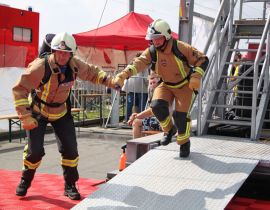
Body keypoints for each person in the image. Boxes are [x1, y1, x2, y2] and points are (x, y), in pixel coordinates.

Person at [13, 32, 118, 200]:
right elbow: (19, 89)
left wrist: (111, 82)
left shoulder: (74, 65)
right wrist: (24, 116)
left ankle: (69, 185)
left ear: (71, 54)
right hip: (38, 113)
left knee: (70, 150)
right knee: (35, 153)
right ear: (53, 51)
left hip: (61, 113)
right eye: (59, 52)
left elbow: (92, 72)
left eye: (66, 53)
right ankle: (25, 179)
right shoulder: (40, 66)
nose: (62, 56)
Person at [113, 19, 209, 158]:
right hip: (166, 84)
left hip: (185, 85)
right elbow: (137, 63)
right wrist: (123, 76)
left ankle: (184, 143)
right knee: (157, 106)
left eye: (158, 38)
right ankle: (169, 130)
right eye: (153, 39)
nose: (155, 42)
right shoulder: (152, 51)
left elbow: (203, 59)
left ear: (167, 35)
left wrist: (196, 76)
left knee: (180, 116)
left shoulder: (181, 48)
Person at [128, 72, 161, 138]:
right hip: (157, 118)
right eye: (150, 82)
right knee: (138, 121)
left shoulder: (161, 91)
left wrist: (137, 116)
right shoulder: (151, 91)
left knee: (137, 122)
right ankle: (140, 144)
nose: (152, 84)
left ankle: (138, 144)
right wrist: (137, 115)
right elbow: (149, 109)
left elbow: (153, 110)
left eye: (154, 82)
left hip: (165, 120)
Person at [122, 53, 148, 122]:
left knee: (130, 104)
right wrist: (149, 85)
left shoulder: (130, 64)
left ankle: (127, 118)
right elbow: (146, 78)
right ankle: (141, 119)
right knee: (142, 104)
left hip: (130, 87)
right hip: (141, 87)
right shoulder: (144, 65)